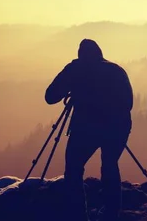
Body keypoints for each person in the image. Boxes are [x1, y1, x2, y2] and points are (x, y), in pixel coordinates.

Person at [45, 39, 133, 221]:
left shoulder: (75, 69)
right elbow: (128, 103)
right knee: (110, 165)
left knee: (74, 168)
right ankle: (111, 214)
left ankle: (78, 215)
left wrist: (72, 83)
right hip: (118, 126)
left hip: (86, 127)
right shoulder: (116, 70)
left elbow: (50, 96)